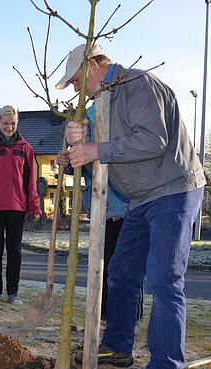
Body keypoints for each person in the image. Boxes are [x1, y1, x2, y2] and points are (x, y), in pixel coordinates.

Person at [57, 43, 205, 369]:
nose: (76, 89)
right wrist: (75, 152)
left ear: (93, 65)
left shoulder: (137, 85)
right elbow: (101, 147)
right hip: (142, 199)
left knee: (164, 281)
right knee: (121, 273)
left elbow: (151, 141)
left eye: (76, 80)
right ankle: (119, 346)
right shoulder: (104, 100)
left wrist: (96, 151)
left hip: (174, 190)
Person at [56, 105, 139, 322]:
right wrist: (68, 160)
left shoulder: (117, 117)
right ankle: (103, 313)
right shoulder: (85, 119)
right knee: (101, 264)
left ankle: (128, 316)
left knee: (124, 265)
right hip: (99, 207)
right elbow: (85, 166)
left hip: (124, 206)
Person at [0, 105, 42, 305]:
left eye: (13, 123)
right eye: (5, 123)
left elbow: (30, 181)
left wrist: (34, 205)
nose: (9, 127)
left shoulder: (25, 148)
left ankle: (13, 292)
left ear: (17, 123)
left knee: (15, 250)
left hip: (17, 206)